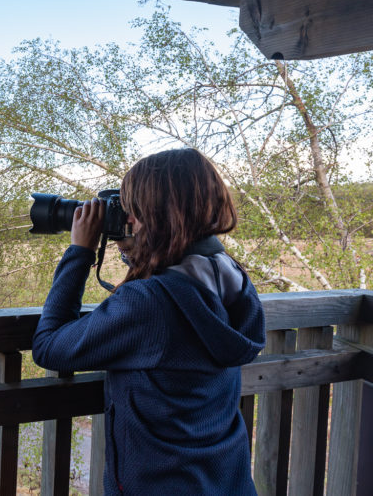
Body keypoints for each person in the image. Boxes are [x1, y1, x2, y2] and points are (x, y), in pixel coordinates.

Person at [32, 148, 265, 494]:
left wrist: (80, 252)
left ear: (156, 215)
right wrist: (139, 252)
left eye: (134, 211)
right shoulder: (233, 280)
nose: (128, 220)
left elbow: (49, 347)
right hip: (227, 480)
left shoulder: (149, 304)